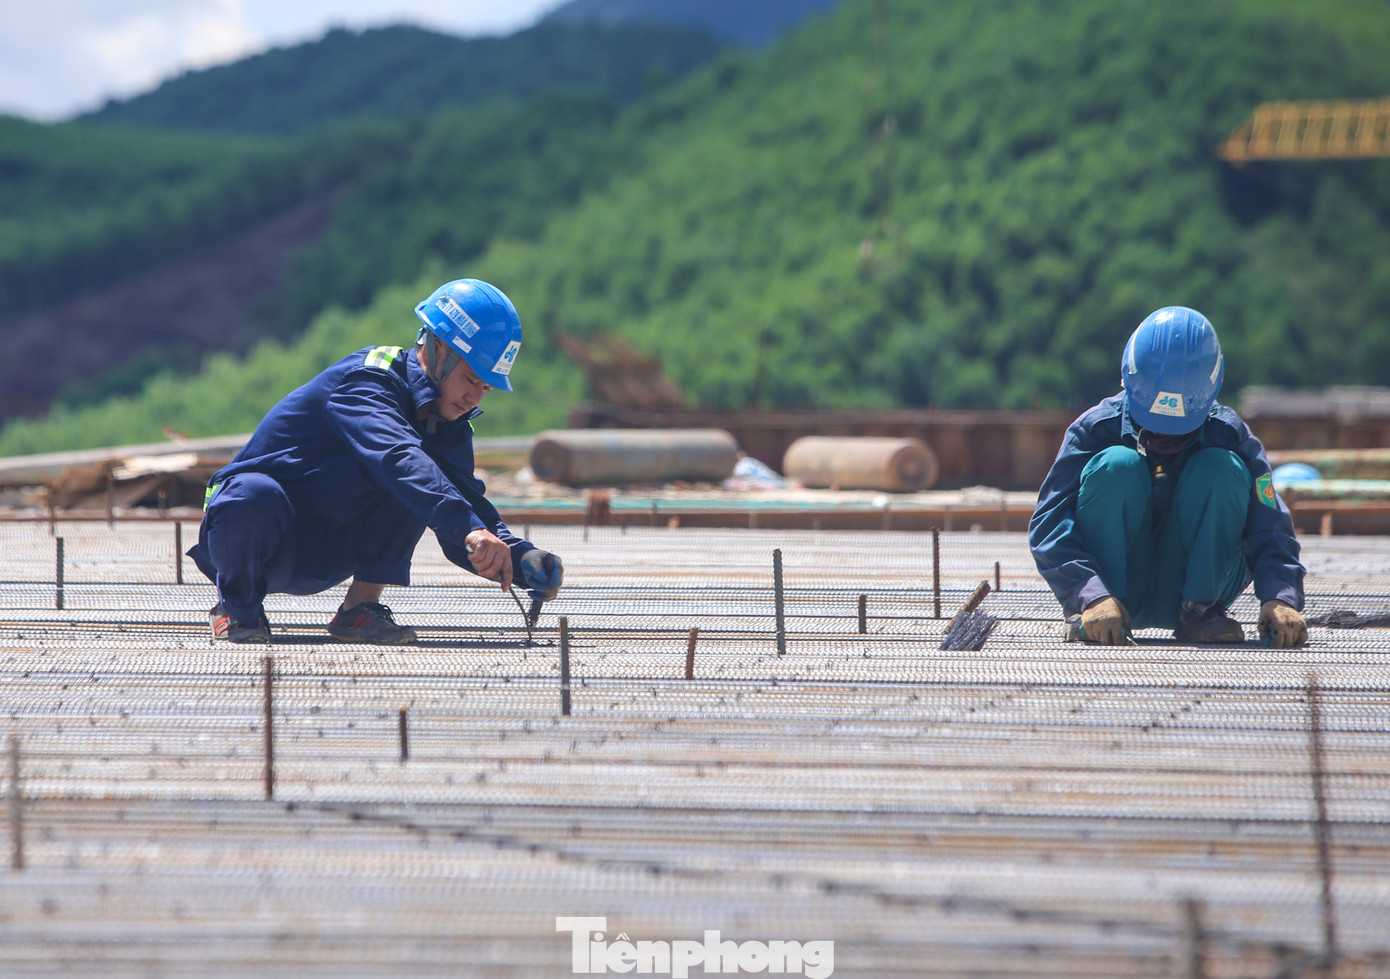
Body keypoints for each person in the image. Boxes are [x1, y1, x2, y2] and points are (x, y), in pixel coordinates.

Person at [188, 278, 563, 644]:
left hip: (326, 550)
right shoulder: (367, 381)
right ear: (438, 351)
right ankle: (237, 608)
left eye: (485, 387)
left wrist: (521, 557)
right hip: (255, 539)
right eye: (470, 379)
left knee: (428, 484)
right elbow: (396, 457)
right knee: (255, 492)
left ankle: (359, 610)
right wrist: (469, 527)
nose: (474, 398)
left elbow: (467, 509)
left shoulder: (444, 421)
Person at [1028, 306, 1307, 647]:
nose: (1166, 437)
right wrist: (1088, 594)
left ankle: (1201, 611)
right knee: (1116, 465)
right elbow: (1049, 523)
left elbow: (1270, 525)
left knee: (1223, 468)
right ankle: (1105, 608)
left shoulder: (1231, 436)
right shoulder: (1094, 430)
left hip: (1197, 590)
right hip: (1109, 600)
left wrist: (1280, 596)